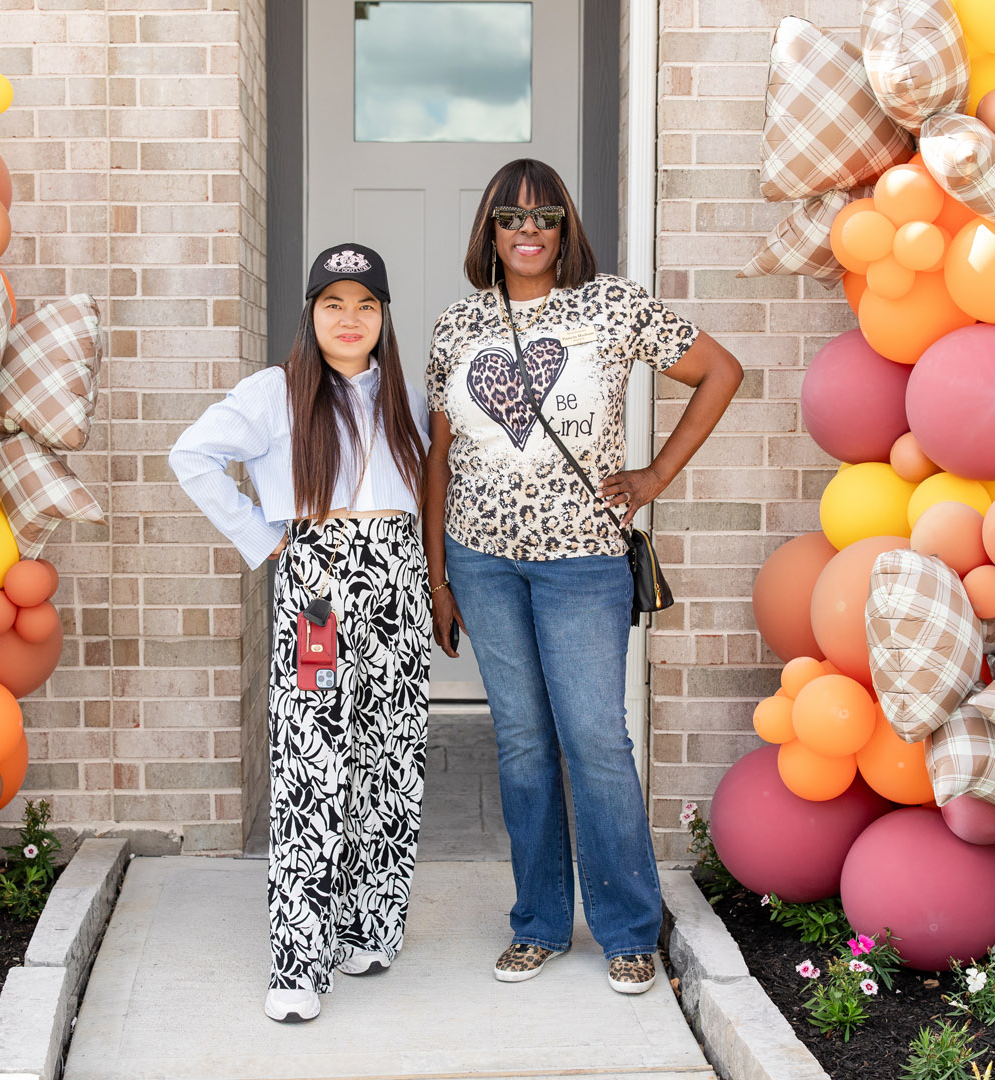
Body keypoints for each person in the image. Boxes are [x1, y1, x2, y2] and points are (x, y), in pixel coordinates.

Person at [423, 159, 743, 994]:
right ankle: (537, 923)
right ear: (490, 231)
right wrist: (438, 578)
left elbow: (721, 372)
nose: (527, 229)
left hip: (581, 563)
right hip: (481, 561)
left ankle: (628, 930)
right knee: (523, 742)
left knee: (595, 740)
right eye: (510, 216)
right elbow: (438, 457)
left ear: (566, 227)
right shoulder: (457, 325)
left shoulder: (612, 305)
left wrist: (655, 475)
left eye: (545, 215)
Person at [170, 243, 431, 1023]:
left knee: (389, 756)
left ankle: (370, 928)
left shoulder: (409, 398)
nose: (350, 319)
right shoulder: (274, 393)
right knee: (314, 765)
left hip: (399, 580)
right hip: (318, 588)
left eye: (366, 305)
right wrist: (263, 537)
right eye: (333, 304)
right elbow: (192, 454)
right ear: (311, 314)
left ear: (383, 316)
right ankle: (298, 963)